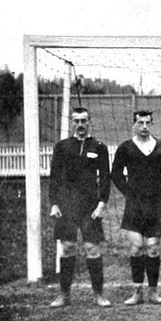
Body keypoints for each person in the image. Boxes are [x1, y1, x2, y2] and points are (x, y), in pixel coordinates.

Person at [48, 107, 111, 308]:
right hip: (67, 204)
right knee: (66, 248)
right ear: (72, 122)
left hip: (90, 205)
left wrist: (102, 203)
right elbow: (54, 178)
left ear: (89, 121)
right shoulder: (62, 147)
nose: (81, 124)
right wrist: (54, 203)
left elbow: (105, 177)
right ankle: (64, 295)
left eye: (84, 120)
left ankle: (99, 295)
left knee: (92, 248)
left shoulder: (99, 146)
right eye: (77, 120)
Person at [112, 110, 161, 305]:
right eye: (140, 123)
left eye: (147, 123)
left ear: (151, 124)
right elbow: (116, 173)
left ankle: (153, 292)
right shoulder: (126, 147)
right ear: (134, 124)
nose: (144, 126)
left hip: (154, 202)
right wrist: (129, 192)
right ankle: (137, 292)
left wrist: (156, 188)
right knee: (137, 247)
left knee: (153, 247)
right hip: (134, 203)